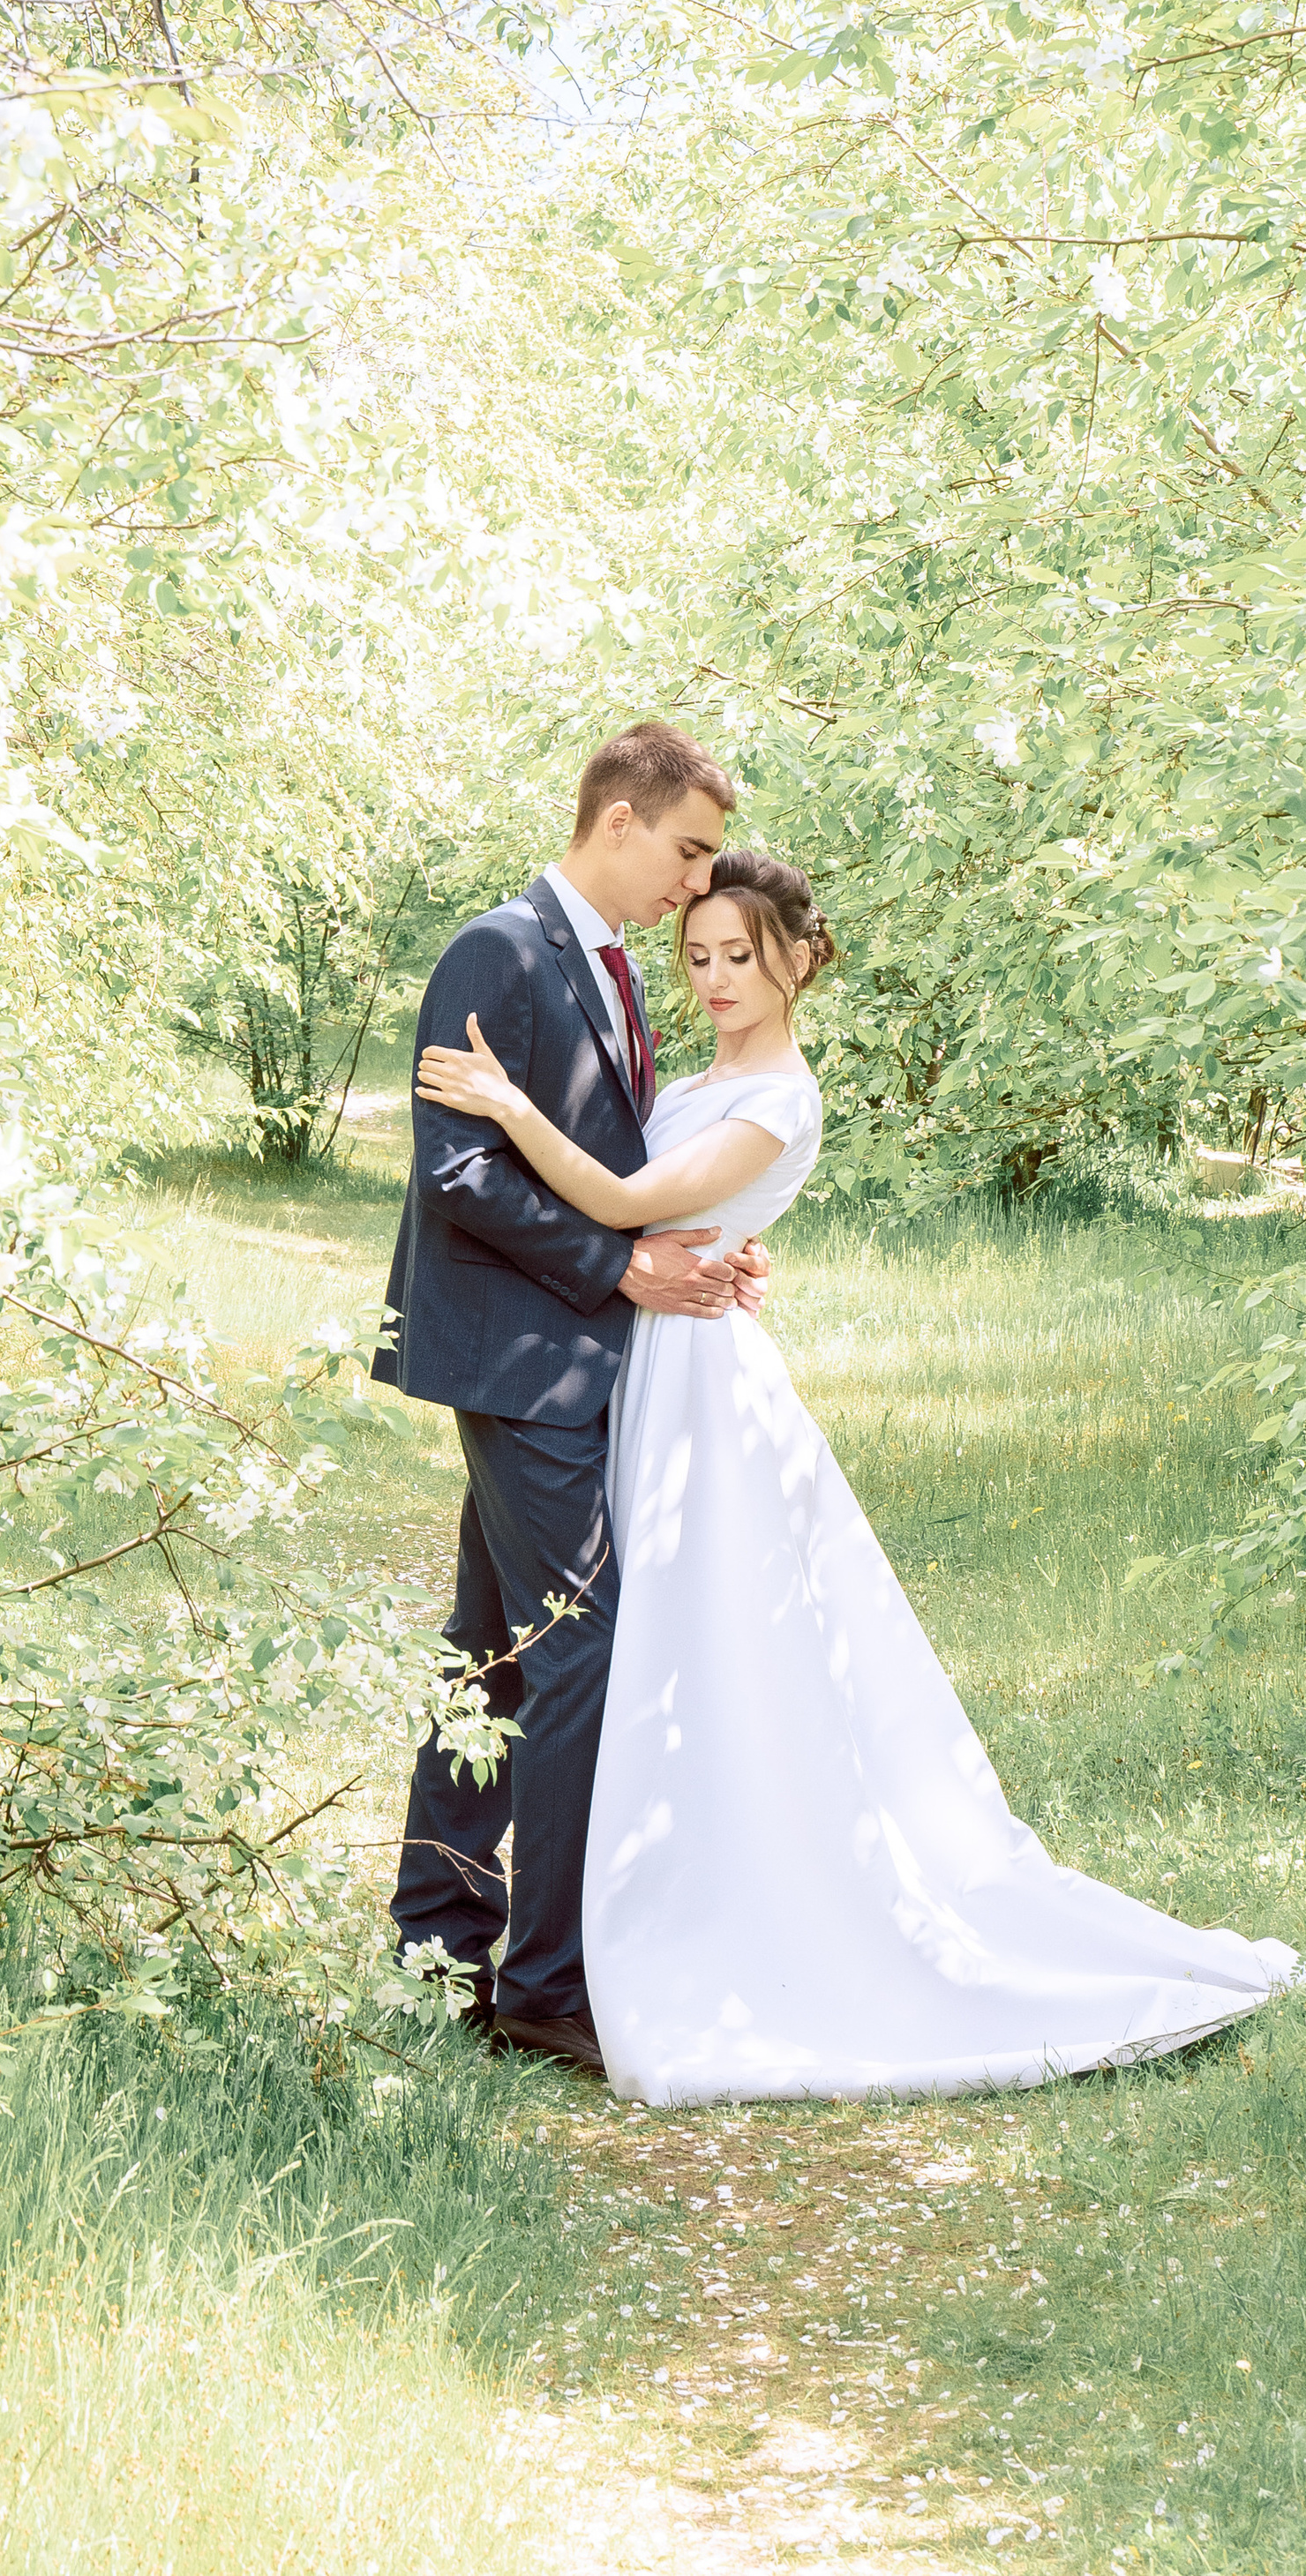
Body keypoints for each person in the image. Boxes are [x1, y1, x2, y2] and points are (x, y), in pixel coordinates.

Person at [415, 845, 1300, 2106]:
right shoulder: (707, 1069)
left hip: (696, 1386)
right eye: (702, 953)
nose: (717, 976)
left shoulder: (779, 1095)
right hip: (636, 1364)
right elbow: (650, 1210)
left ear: (803, 959)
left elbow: (619, 1192)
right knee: (563, 1640)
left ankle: (607, 1944)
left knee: (663, 1647)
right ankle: (496, 1930)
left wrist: (508, 1106)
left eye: (744, 955)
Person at [378, 721, 768, 2074]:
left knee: (486, 1653)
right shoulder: (498, 950)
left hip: (574, 1362)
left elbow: (626, 1158)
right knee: (578, 1649)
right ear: (620, 821)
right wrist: (620, 1267)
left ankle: (437, 1941)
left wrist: (692, 1251)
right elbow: (460, 1176)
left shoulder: (607, 967)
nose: (695, 879)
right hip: (517, 1363)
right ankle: (546, 1981)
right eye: (689, 846)